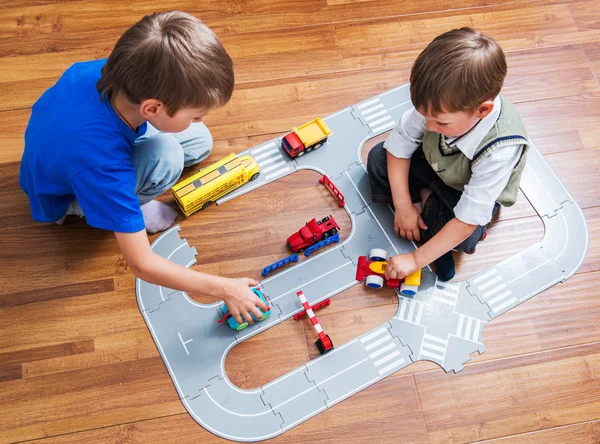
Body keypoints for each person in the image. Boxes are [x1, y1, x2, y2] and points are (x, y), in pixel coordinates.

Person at [19, 11, 267, 324]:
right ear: (152, 108)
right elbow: (142, 264)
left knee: (199, 141)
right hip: (63, 194)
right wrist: (226, 288)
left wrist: (186, 122)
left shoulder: (114, 74)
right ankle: (131, 207)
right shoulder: (102, 165)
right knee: (167, 157)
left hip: (74, 149)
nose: (201, 120)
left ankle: (130, 196)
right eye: (196, 115)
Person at [367, 27, 529, 281]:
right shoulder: (438, 107)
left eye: (441, 124)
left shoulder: (499, 150)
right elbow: (400, 145)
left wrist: (415, 259)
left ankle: (429, 222)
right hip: (435, 166)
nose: (430, 127)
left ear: (482, 111)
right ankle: (425, 209)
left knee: (466, 235)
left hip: (463, 191)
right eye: (424, 117)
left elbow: (466, 220)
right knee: (379, 157)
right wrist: (403, 205)